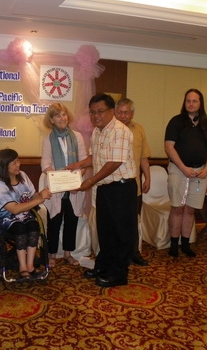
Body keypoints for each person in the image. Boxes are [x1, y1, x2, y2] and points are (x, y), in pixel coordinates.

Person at [66, 93, 137, 287]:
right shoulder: (98, 131)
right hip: (104, 188)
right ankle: (103, 266)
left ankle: (119, 273)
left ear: (111, 111)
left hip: (121, 188)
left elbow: (114, 163)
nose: (96, 116)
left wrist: (90, 181)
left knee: (121, 232)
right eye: (92, 112)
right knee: (105, 231)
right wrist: (77, 165)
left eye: (100, 111)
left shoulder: (120, 131)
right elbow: (94, 158)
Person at [164, 88, 207, 258]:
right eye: (188, 100)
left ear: (200, 103)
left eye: (194, 101)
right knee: (177, 208)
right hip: (179, 170)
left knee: (190, 210)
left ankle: (186, 245)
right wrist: (183, 168)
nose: (191, 104)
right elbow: (169, 146)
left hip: (200, 173)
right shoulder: (176, 121)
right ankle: (174, 245)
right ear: (184, 102)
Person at [0, 148, 52, 280]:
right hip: (5, 220)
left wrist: (41, 194)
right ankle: (22, 267)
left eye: (18, 160)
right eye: (13, 163)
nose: (18, 164)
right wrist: (39, 199)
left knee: (34, 226)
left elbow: (33, 195)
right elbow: (14, 209)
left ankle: (30, 266)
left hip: (25, 216)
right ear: (4, 166)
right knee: (20, 228)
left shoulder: (23, 176)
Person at [41, 103, 88, 268]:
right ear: (52, 120)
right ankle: (52, 254)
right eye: (58, 115)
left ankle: (68, 254)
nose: (62, 118)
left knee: (71, 220)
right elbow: (45, 163)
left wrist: (78, 176)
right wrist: (57, 177)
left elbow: (83, 160)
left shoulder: (77, 136)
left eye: (64, 115)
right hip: (57, 189)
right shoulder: (48, 139)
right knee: (54, 221)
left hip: (75, 188)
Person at [115, 98, 151, 266]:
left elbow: (143, 157)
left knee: (132, 220)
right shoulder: (109, 130)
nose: (123, 116)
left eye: (126, 112)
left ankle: (134, 252)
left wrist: (147, 177)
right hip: (114, 186)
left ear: (132, 113)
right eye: (120, 112)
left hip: (134, 186)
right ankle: (117, 254)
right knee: (116, 221)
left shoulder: (139, 130)